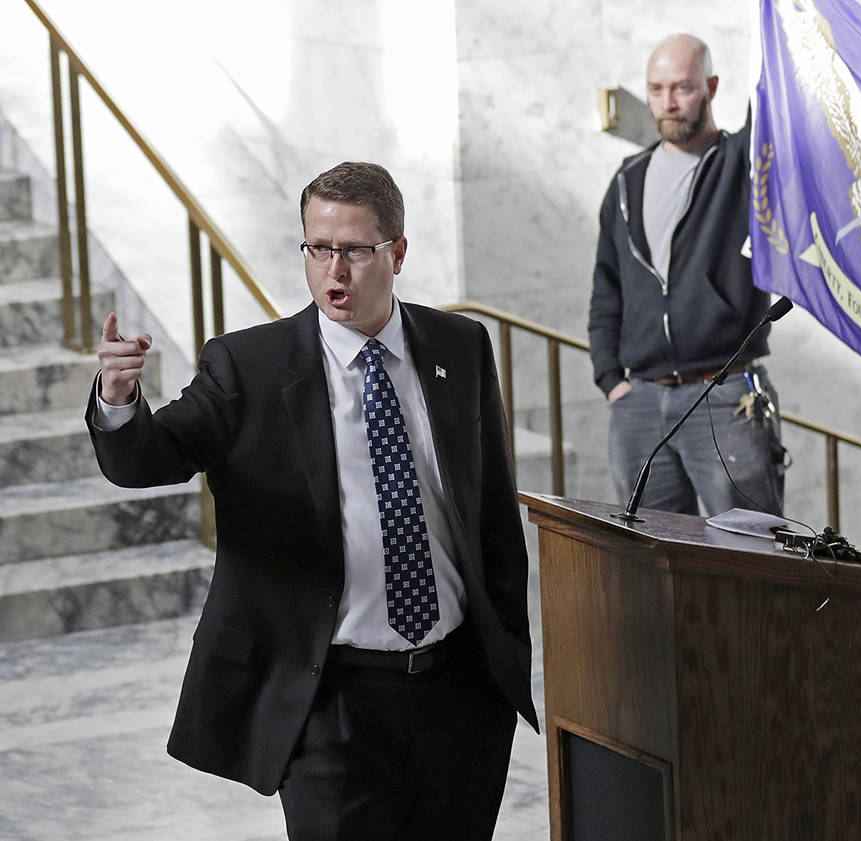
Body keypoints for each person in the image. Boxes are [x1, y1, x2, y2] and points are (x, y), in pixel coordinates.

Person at [87, 162, 536, 841]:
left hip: (459, 695)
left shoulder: (459, 346)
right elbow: (153, 456)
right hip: (331, 699)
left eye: (355, 250)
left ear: (398, 252)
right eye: (317, 248)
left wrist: (503, 655)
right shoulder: (248, 367)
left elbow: (493, 516)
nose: (335, 269)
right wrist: (119, 401)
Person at [588, 33, 785, 517]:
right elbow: (607, 290)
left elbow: (778, 108)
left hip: (724, 397)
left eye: (682, 88)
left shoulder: (742, 162)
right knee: (650, 563)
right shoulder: (627, 180)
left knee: (751, 558)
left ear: (712, 87)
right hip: (639, 403)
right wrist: (611, 379)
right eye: (656, 90)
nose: (668, 103)